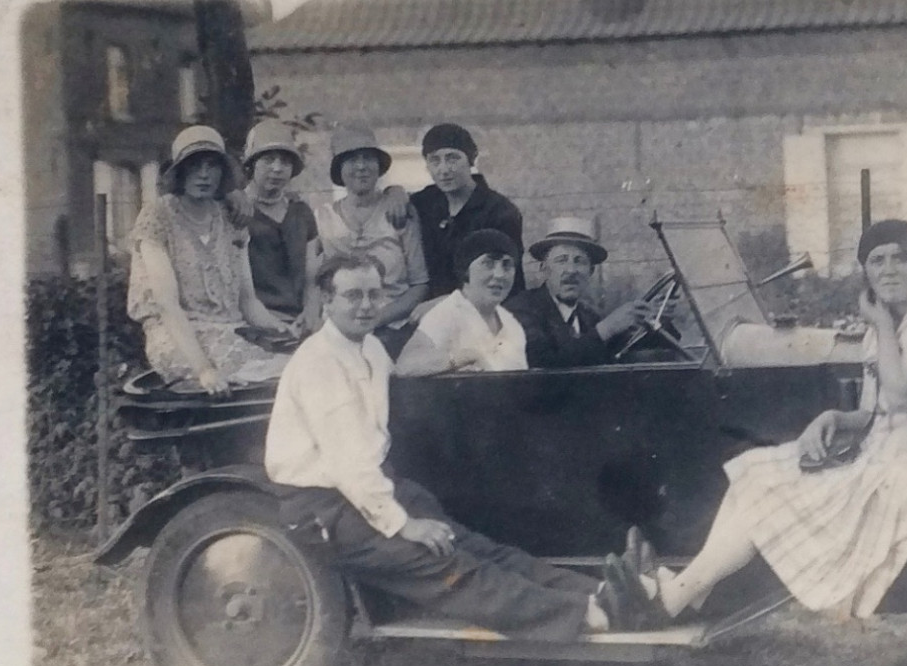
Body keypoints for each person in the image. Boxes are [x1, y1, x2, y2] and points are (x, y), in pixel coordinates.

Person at [615, 219, 907, 625]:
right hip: (881, 464)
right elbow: (877, 413)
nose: (889, 269)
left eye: (901, 259)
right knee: (754, 473)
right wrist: (832, 417)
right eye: (878, 261)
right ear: (867, 271)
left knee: (764, 490)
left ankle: (670, 598)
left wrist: (877, 325)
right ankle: (678, 595)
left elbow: (901, 393)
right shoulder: (888, 324)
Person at [264, 253, 633, 638]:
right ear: (327, 301)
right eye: (353, 296)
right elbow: (349, 464)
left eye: (374, 295)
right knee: (446, 563)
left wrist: (462, 360)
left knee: (476, 547)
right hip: (324, 509)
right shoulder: (319, 362)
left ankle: (599, 591)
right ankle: (584, 615)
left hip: (371, 487)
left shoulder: (370, 347)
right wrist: (404, 525)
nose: (366, 306)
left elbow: (408, 375)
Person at [126, 125, 295, 393]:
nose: (203, 175)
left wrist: (281, 329)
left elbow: (247, 301)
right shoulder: (158, 217)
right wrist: (203, 369)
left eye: (212, 166)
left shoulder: (231, 220)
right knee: (279, 377)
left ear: (223, 172)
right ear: (179, 171)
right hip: (179, 339)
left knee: (302, 364)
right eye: (194, 165)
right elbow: (167, 304)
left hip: (231, 334)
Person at [312, 123, 428, 355]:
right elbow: (315, 283)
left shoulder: (399, 211)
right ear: (340, 169)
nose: (361, 167)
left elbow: (420, 285)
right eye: (352, 160)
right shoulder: (322, 217)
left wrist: (374, 319)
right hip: (338, 328)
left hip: (393, 327)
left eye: (368, 158)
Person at [504, 216, 657, 368]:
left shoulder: (588, 316)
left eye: (579, 261)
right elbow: (543, 364)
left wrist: (655, 319)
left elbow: (623, 351)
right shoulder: (521, 310)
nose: (571, 270)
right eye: (561, 260)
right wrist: (606, 329)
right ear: (544, 269)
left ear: (590, 271)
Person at [409, 123, 525, 298]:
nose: (444, 169)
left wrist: (447, 303)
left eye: (452, 158)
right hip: (428, 313)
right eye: (435, 160)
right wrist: (392, 192)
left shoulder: (499, 212)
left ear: (471, 160)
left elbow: (504, 280)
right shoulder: (425, 202)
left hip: (485, 311)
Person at [395, 229, 528, 375]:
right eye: (488, 263)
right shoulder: (450, 311)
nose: (499, 274)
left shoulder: (511, 324)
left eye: (507, 265)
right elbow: (405, 365)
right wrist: (464, 356)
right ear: (466, 270)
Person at [241, 120, 319, 325]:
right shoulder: (238, 212)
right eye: (268, 159)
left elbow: (312, 280)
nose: (277, 168)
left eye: (285, 161)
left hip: (302, 319)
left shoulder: (301, 213)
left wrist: (310, 314)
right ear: (251, 165)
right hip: (254, 321)